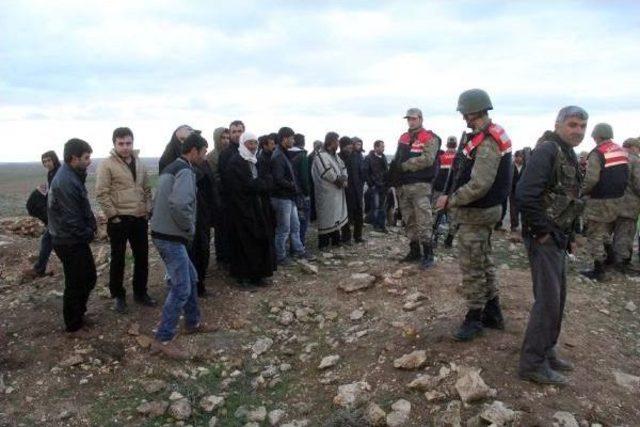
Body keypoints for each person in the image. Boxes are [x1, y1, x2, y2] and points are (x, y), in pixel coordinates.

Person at [516, 105, 589, 385]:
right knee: (547, 301)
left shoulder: (567, 153)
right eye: (572, 125)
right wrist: (542, 233)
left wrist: (567, 237)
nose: (578, 131)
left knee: (556, 300)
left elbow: (565, 198)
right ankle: (532, 363)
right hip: (543, 238)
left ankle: (547, 351)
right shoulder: (549, 150)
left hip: (557, 238)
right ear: (558, 125)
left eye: (582, 126)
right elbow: (525, 194)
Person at [437, 89, 512, 341]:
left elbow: (480, 184)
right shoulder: (485, 135)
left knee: (472, 266)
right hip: (483, 211)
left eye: (465, 113)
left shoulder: (488, 140)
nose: (463, 119)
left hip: (478, 212)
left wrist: (451, 200)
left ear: (474, 111)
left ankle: (474, 317)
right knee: (483, 261)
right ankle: (493, 311)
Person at [150, 132, 216, 360]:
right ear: (194, 151)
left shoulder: (171, 167)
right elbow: (179, 204)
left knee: (191, 276)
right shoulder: (185, 171)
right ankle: (163, 338)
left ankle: (193, 321)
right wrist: (189, 227)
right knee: (181, 287)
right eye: (204, 152)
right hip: (171, 236)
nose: (204, 156)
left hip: (162, 232)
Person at [95, 127, 155, 313]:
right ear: (114, 144)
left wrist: (147, 208)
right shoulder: (107, 164)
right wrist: (113, 216)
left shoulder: (140, 163)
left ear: (133, 143)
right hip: (119, 219)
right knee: (118, 259)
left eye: (128, 143)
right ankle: (118, 296)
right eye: (121, 143)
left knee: (142, 257)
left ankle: (140, 292)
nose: (125, 147)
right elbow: (101, 192)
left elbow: (146, 188)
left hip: (138, 217)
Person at [48, 139, 97, 335]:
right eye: (86, 158)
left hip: (71, 238)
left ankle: (78, 315)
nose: (89, 161)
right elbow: (71, 218)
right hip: (68, 240)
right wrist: (89, 233)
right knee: (78, 280)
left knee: (86, 277)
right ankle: (73, 324)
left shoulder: (71, 175)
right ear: (73, 158)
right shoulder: (66, 181)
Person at [225, 132, 277, 287]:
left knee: (259, 242)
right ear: (243, 144)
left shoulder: (257, 161)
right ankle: (243, 277)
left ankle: (258, 276)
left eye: (255, 143)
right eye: (250, 143)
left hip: (258, 210)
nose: (253, 146)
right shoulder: (235, 162)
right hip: (241, 211)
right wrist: (259, 184)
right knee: (243, 245)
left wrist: (259, 184)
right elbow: (245, 186)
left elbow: (268, 180)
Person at [393, 108, 441, 269]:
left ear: (421, 119)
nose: (411, 121)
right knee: (409, 220)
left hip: (420, 185)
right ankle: (414, 251)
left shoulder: (430, 137)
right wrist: (393, 174)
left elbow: (428, 159)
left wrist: (405, 166)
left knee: (424, 220)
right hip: (404, 186)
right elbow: (397, 157)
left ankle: (428, 254)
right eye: (409, 119)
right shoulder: (403, 137)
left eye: (414, 119)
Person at [580, 123, 629, 280]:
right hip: (617, 199)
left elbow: (591, 179)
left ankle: (598, 269)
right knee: (606, 230)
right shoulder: (620, 151)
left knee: (594, 231)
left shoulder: (597, 153)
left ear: (597, 136)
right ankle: (611, 258)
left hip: (600, 199)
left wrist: (581, 192)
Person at [270, 126, 312, 265]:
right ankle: (280, 256)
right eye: (292, 138)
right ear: (284, 139)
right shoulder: (278, 156)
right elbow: (278, 178)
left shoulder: (283, 153)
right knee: (284, 229)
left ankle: (299, 250)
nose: (293, 140)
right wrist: (293, 185)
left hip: (288, 197)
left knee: (295, 225)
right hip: (282, 198)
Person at [23, 151, 61, 279]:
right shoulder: (51, 173)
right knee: (49, 240)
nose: (46, 163)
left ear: (54, 160)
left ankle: (39, 269)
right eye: (44, 161)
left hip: (59, 214)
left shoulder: (59, 172)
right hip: (55, 213)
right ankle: (40, 269)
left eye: (49, 160)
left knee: (51, 241)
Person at [189, 141, 217, 297]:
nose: (205, 155)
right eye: (204, 152)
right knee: (196, 252)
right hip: (195, 217)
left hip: (204, 215)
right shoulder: (186, 168)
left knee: (203, 251)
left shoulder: (203, 164)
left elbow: (211, 187)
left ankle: (200, 285)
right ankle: (195, 287)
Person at [312, 132, 349, 249]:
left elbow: (343, 167)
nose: (338, 143)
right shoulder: (320, 155)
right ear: (331, 141)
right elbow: (327, 172)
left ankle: (335, 240)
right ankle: (323, 243)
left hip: (336, 192)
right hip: (326, 192)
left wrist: (344, 178)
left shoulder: (334, 155)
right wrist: (340, 181)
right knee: (326, 217)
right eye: (337, 141)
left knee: (336, 216)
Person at [217, 121, 245, 269]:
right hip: (233, 203)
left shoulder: (249, 150)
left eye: (239, 131)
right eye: (233, 132)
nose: (236, 134)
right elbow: (225, 180)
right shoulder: (226, 154)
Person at [612, 138, 640, 272]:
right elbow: (638, 184)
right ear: (634, 147)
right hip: (629, 204)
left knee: (614, 232)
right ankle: (622, 262)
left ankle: (609, 259)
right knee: (625, 233)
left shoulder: (614, 158)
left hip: (611, 203)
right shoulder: (635, 160)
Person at [207, 127, 231, 268]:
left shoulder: (230, 154)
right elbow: (214, 178)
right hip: (219, 199)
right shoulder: (212, 156)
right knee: (221, 230)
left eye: (227, 138)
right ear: (217, 139)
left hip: (231, 198)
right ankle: (221, 258)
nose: (226, 141)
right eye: (223, 138)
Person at [339, 136, 365, 243]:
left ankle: (358, 236)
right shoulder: (339, 157)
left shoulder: (358, 156)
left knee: (359, 213)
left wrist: (361, 186)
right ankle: (346, 237)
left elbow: (361, 173)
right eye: (349, 146)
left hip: (357, 190)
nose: (351, 148)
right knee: (346, 215)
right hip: (346, 190)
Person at [432, 137, 457, 247]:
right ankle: (449, 240)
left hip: (440, 190)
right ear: (455, 145)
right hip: (454, 191)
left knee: (436, 214)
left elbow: (435, 174)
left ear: (447, 145)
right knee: (453, 217)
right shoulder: (459, 157)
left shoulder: (441, 157)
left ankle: (435, 237)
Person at [288, 133, 311, 246]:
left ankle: (293, 246)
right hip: (301, 193)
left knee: (293, 222)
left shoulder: (285, 153)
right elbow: (304, 177)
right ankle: (300, 245)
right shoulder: (302, 156)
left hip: (290, 192)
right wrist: (307, 193)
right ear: (303, 142)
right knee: (302, 221)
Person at [363, 140, 389, 233]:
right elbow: (365, 172)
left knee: (382, 206)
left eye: (383, 146)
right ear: (376, 147)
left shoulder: (384, 157)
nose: (383, 148)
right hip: (375, 187)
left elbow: (386, 171)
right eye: (382, 146)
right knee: (376, 206)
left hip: (384, 186)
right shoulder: (368, 158)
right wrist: (372, 184)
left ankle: (382, 225)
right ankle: (376, 225)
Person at [510, 150, 526, 233]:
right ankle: (514, 226)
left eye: (521, 157)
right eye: (518, 156)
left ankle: (524, 227)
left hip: (522, 191)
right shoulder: (511, 166)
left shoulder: (525, 167)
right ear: (515, 157)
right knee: (513, 208)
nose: (520, 158)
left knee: (522, 208)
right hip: (512, 190)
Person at [308, 139, 323, 222]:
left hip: (313, 181)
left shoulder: (311, 156)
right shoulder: (313, 156)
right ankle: (314, 216)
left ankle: (314, 216)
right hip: (315, 181)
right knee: (315, 199)